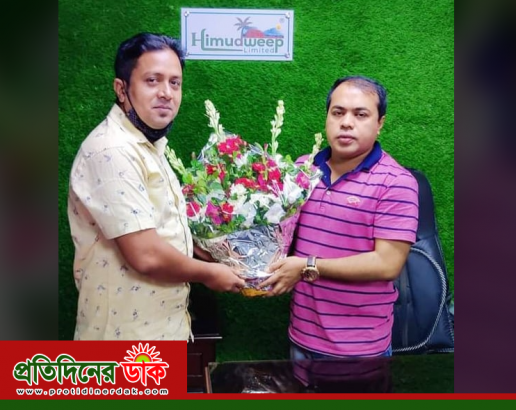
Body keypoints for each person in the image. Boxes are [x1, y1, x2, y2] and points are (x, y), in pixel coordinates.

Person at [67, 32, 245, 340]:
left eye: (175, 83)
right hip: (124, 339)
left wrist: (210, 251)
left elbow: (158, 228)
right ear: (121, 89)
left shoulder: (147, 145)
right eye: (152, 80)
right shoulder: (113, 149)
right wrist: (210, 273)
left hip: (162, 330)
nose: (166, 93)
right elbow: (145, 254)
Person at [259, 75, 419, 358]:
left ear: (380, 123)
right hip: (302, 337)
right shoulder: (302, 169)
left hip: (360, 349)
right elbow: (277, 234)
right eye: (338, 112)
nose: (346, 123)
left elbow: (387, 264)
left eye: (360, 114)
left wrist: (307, 266)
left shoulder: (396, 182)